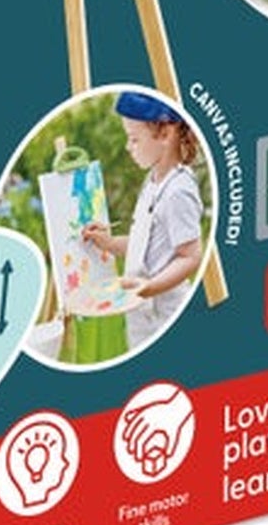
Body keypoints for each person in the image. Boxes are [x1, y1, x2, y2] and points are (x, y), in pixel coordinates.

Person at [80, 91, 204, 341]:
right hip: (142, 314)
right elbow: (147, 246)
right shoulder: (153, 181)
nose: (128, 147)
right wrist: (110, 243)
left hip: (164, 317)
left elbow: (190, 257)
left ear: (165, 134)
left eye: (134, 139)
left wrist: (148, 287)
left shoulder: (178, 191)